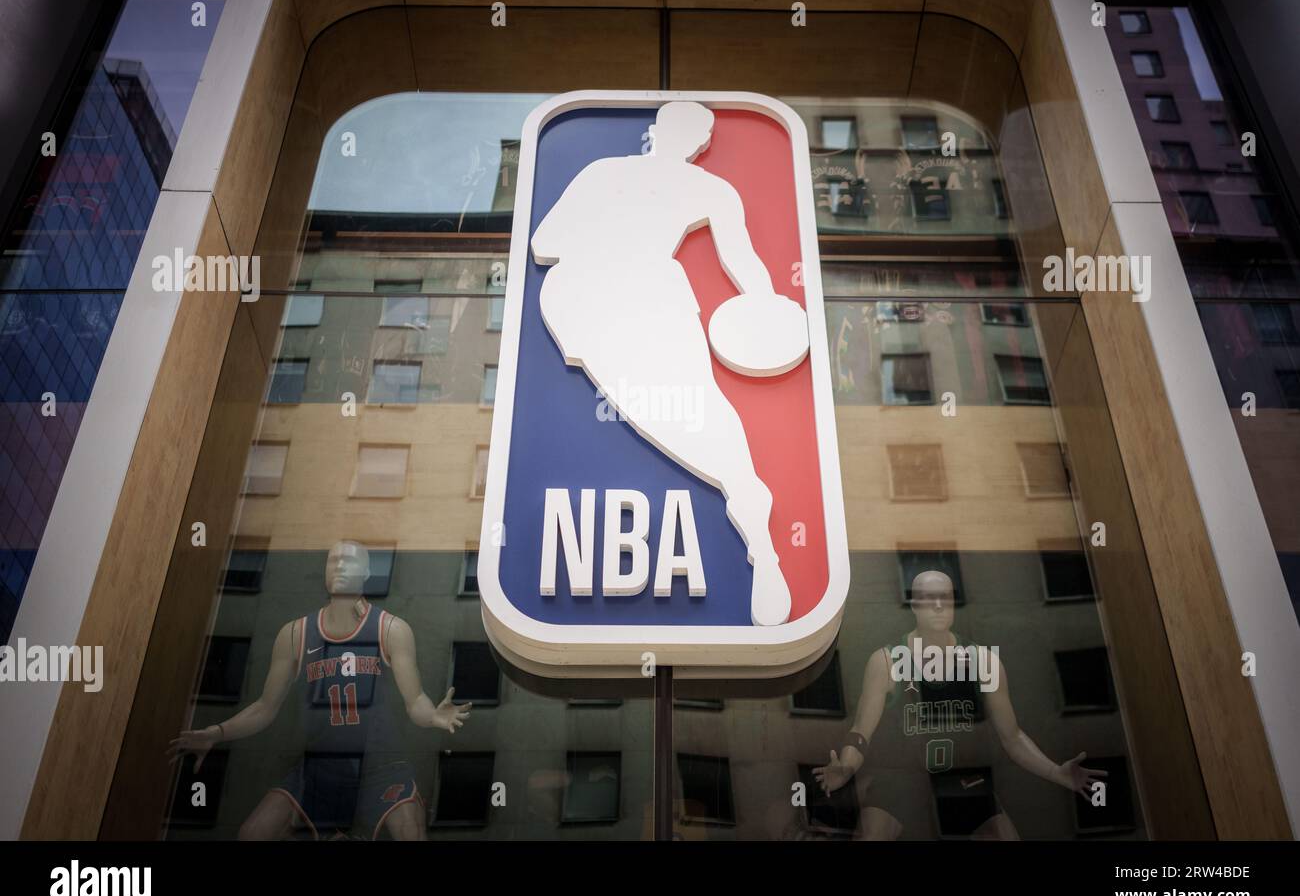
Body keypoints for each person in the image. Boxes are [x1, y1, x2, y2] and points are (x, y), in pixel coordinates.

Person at [530, 100, 791, 626]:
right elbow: (543, 243)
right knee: (694, 417)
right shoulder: (698, 188)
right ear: (696, 143)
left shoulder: (612, 174)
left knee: (696, 416)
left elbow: (548, 240)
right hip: (612, 304)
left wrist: (766, 309)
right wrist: (764, 305)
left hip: (614, 302)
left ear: (659, 132)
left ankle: (758, 535)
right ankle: (754, 521)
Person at [170, 541, 470, 840]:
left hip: (381, 768)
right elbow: (264, 708)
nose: (339, 565)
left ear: (367, 571)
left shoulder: (390, 629)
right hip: (319, 769)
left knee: (411, 834)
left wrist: (433, 717)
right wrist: (217, 732)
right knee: (253, 833)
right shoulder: (296, 633)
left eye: (348, 561)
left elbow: (415, 700)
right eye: (333, 561)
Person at [813, 570, 1105, 839]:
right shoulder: (887, 660)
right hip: (902, 780)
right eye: (929, 599)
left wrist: (1056, 772)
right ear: (913, 606)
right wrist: (847, 768)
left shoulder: (983, 661)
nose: (939, 605)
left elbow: (1012, 737)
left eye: (946, 598)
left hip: (964, 783)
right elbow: (861, 732)